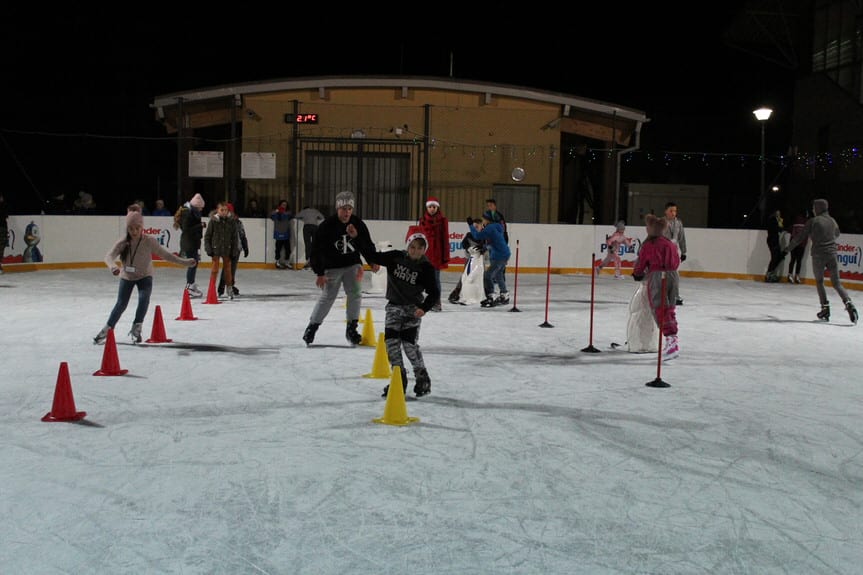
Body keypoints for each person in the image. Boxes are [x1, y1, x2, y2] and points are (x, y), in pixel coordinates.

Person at [349, 227, 439, 397]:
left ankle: (422, 377)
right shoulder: (395, 257)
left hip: (413, 311)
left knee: (409, 346)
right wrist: (357, 238)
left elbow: (434, 292)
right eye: (413, 247)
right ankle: (399, 380)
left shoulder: (426, 268)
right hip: (393, 308)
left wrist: (424, 308)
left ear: (424, 249)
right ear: (407, 246)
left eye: (420, 248)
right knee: (391, 346)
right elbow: (373, 255)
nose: (416, 251)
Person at [94, 205, 196, 344]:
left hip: (144, 276)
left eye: (137, 228)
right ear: (127, 228)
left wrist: (184, 262)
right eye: (131, 228)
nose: (134, 231)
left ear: (142, 227)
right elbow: (109, 256)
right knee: (121, 304)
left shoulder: (149, 241)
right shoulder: (123, 242)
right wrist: (113, 267)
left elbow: (166, 255)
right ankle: (107, 328)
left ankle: (137, 327)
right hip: (127, 277)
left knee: (144, 299)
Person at [302, 191, 378, 346]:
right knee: (328, 297)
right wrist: (320, 273)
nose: (347, 212)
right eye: (344, 209)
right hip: (332, 267)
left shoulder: (357, 223)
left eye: (350, 208)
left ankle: (351, 329)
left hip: (353, 265)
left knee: (355, 294)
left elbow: (366, 243)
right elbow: (316, 250)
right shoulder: (327, 226)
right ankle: (312, 327)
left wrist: (372, 260)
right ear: (337, 209)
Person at [782, 198, 857, 324]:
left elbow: (800, 237)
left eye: (814, 207)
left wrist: (787, 249)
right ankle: (849, 303)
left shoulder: (813, 221)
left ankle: (825, 308)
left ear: (818, 208)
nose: (812, 210)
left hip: (818, 255)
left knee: (819, 281)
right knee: (836, 282)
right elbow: (837, 234)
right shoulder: (832, 221)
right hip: (832, 254)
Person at [632, 213, 681, 360]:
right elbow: (677, 261)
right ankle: (672, 339)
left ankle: (671, 341)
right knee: (670, 307)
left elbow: (641, 264)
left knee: (660, 308)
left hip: (658, 277)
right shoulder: (669, 244)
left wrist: (637, 274)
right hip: (673, 276)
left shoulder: (649, 245)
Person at [469, 213, 511, 308]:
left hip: (499, 256)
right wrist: (485, 247)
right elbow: (494, 240)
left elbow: (477, 236)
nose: (482, 221)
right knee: (499, 274)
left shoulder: (490, 228)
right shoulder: (497, 227)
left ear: (487, 220)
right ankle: (504, 295)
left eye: (483, 219)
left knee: (487, 276)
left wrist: (471, 225)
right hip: (503, 253)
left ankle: (491, 296)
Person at [418, 197, 449, 311]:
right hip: (424, 254)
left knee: (435, 280)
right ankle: (418, 300)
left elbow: (445, 239)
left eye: (434, 207)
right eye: (430, 207)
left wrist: (445, 256)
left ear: (437, 207)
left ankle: (437, 302)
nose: (432, 209)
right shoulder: (422, 220)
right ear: (427, 207)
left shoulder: (442, 221)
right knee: (420, 278)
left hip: (436, 254)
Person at [204, 201, 239, 300]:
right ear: (217, 210)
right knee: (214, 270)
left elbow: (234, 238)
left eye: (225, 210)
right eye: (221, 210)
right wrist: (208, 249)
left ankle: (229, 288)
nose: (224, 212)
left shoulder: (231, 221)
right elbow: (207, 237)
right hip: (216, 250)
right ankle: (212, 289)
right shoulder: (214, 221)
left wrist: (234, 251)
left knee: (228, 271)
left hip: (227, 250)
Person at [175, 193, 205, 298]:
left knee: (194, 263)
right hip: (189, 243)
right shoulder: (188, 214)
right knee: (192, 264)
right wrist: (199, 226)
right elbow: (187, 230)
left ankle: (191, 284)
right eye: (201, 208)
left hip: (192, 242)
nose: (201, 210)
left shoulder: (191, 212)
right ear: (196, 206)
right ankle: (189, 287)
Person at [218, 203, 248, 297]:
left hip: (236, 249)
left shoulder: (238, 222)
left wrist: (245, 246)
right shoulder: (223, 221)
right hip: (227, 249)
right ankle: (221, 287)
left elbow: (242, 235)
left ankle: (230, 286)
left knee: (232, 269)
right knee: (227, 268)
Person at [663, 201, 687, 305]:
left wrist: (683, 251)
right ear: (666, 211)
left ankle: (675, 296)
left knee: (674, 274)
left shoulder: (678, 223)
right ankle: (662, 295)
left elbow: (681, 238)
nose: (673, 213)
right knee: (662, 274)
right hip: (662, 252)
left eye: (675, 211)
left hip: (674, 253)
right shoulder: (661, 222)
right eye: (671, 211)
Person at [271, 199, 294, 269]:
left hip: (286, 233)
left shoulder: (288, 213)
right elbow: (271, 215)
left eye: (285, 204)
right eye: (283, 204)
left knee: (288, 249)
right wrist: (277, 211)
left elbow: (291, 215)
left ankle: (287, 262)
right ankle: (277, 262)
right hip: (278, 233)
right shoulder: (276, 213)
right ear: (280, 205)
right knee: (278, 249)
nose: (284, 205)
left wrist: (283, 212)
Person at [764, 209, 784, 282]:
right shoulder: (772, 220)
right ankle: (769, 274)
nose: (779, 214)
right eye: (777, 212)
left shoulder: (776, 220)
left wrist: (780, 222)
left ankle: (771, 273)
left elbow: (780, 229)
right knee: (775, 257)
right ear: (774, 213)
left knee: (777, 257)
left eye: (779, 213)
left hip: (774, 240)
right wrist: (780, 222)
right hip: (772, 240)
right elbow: (778, 229)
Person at [787, 213, 807, 284]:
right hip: (801, 245)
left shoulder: (794, 223)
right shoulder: (806, 223)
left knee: (792, 260)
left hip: (793, 244)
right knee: (799, 261)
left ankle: (790, 275)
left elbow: (789, 230)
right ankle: (797, 276)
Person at [0, 192, 8, 274]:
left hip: (3, 228)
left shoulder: (3, 206)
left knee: (1, 247)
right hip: (2, 228)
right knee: (1, 247)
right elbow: (5, 215)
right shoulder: (3, 206)